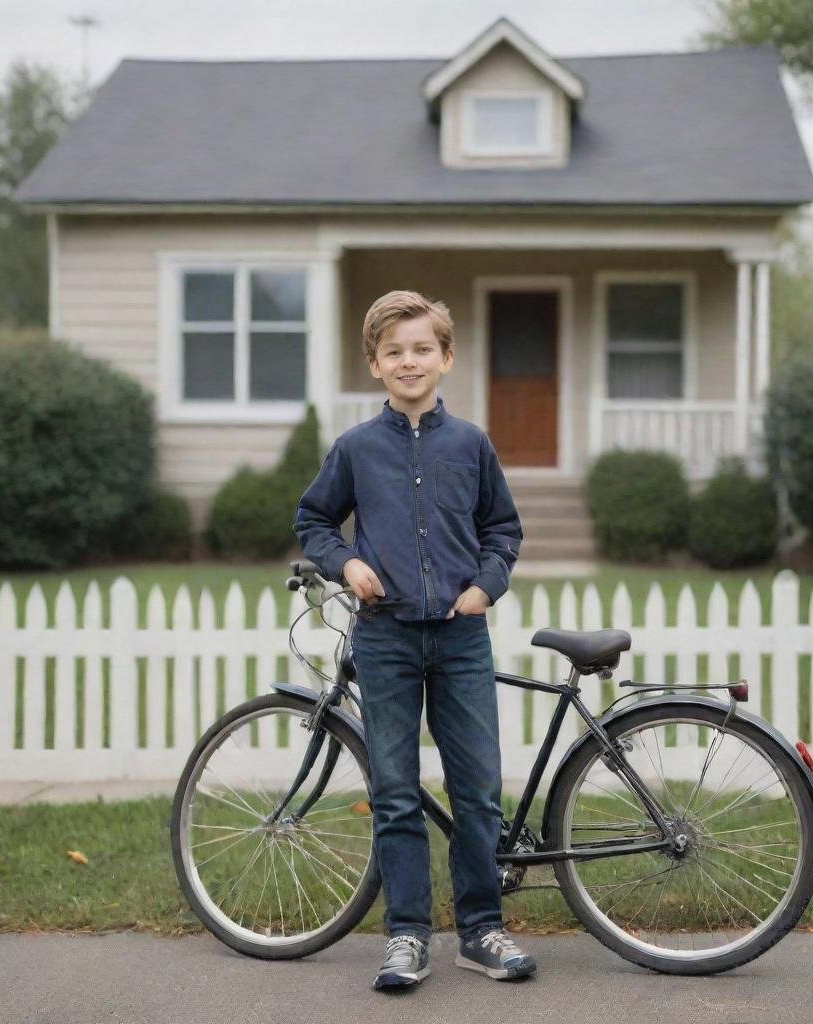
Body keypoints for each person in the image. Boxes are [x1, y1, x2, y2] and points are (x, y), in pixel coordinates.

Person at [294, 289, 536, 991]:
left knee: (477, 791)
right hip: (386, 639)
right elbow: (314, 519)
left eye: (421, 349)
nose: (409, 361)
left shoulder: (471, 444)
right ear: (374, 363)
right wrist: (346, 562)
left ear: (446, 357)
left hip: (461, 638)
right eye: (394, 351)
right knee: (396, 791)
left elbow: (504, 529)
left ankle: (482, 929)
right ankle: (406, 936)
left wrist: (486, 585)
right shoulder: (357, 449)